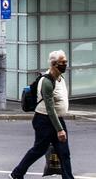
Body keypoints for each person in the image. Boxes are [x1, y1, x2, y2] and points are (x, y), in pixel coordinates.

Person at [9, 50, 74, 179]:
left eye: (66, 62)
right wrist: (60, 129)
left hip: (57, 119)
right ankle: (17, 174)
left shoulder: (60, 78)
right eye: (63, 62)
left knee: (64, 152)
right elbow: (50, 108)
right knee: (39, 150)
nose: (65, 64)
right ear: (54, 64)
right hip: (44, 120)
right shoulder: (47, 82)